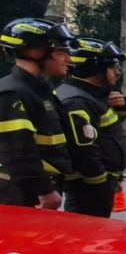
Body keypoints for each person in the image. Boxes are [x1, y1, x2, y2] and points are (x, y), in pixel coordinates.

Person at [0, 18, 78, 209]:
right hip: (23, 192)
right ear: (35, 52)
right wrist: (44, 190)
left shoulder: (39, 90)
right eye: (61, 52)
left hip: (39, 188)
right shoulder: (13, 92)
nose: (69, 60)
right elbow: (18, 149)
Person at [58, 38, 126, 218]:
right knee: (85, 235)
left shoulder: (92, 95)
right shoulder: (78, 101)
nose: (117, 72)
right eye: (112, 67)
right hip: (88, 188)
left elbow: (109, 130)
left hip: (93, 186)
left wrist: (122, 107)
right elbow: (83, 149)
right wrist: (100, 182)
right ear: (95, 68)